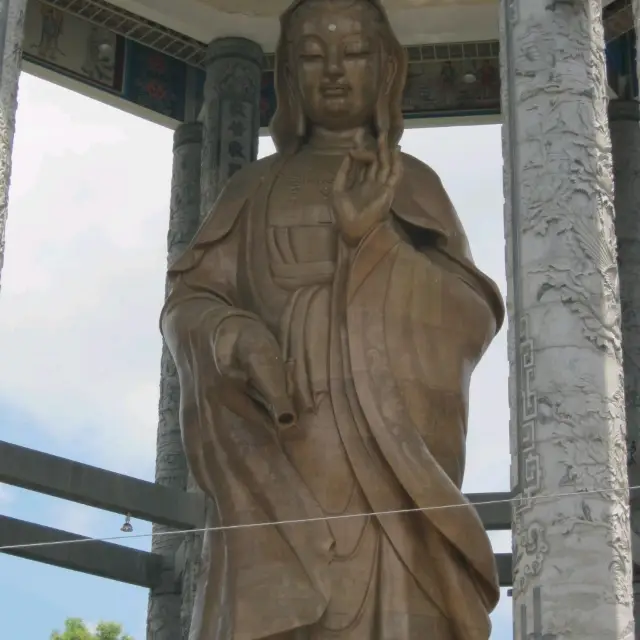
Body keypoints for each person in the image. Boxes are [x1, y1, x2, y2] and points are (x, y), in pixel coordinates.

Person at [161, 0, 504, 638]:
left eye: (355, 54)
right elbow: (188, 303)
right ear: (288, 77)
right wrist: (231, 334)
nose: (335, 72)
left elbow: (470, 314)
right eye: (313, 57)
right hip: (277, 444)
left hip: (386, 459)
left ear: (386, 70)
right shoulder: (254, 188)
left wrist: (372, 243)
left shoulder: (412, 183)